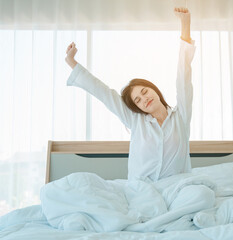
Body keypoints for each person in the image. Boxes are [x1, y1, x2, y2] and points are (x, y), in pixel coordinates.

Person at [65, 7, 196, 182]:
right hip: (142, 190)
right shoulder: (135, 120)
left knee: (202, 195)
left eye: (145, 92)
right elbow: (103, 93)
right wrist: (71, 62)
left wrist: (185, 24)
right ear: (137, 107)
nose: (144, 99)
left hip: (176, 188)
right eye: (138, 100)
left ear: (154, 90)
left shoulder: (181, 117)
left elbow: (184, 77)